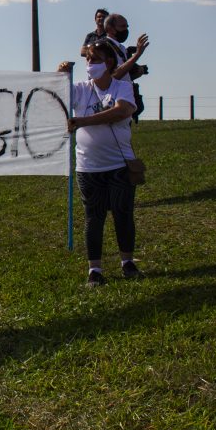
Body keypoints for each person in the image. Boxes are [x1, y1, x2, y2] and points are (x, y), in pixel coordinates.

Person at [58, 41, 144, 287]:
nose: (89, 64)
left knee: (122, 214)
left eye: (95, 59)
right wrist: (60, 75)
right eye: (87, 59)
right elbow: (55, 98)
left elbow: (121, 111)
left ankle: (127, 262)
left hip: (119, 164)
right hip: (88, 166)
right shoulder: (81, 89)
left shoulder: (123, 87)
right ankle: (94, 269)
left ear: (108, 63)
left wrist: (83, 121)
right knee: (93, 218)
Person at [100, 13, 149, 122]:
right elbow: (113, 76)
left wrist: (137, 72)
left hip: (123, 103)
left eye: (127, 27)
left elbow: (124, 75)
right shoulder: (104, 47)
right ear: (109, 28)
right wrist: (137, 55)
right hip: (112, 104)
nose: (126, 30)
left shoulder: (121, 48)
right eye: (122, 27)